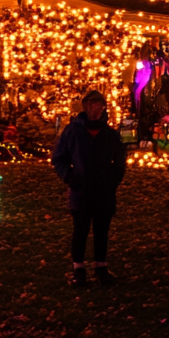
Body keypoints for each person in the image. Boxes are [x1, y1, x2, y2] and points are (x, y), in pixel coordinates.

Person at [51, 89, 127, 287]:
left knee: (102, 230)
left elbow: (120, 161)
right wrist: (70, 177)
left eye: (99, 105)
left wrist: (112, 181)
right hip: (80, 190)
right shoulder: (73, 132)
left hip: (104, 191)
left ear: (103, 108)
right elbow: (59, 158)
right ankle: (79, 269)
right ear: (85, 107)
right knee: (80, 230)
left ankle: (101, 267)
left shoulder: (110, 134)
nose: (95, 109)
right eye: (91, 104)